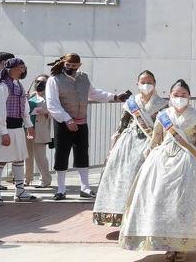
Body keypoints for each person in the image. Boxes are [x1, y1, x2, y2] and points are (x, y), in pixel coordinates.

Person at [119, 80, 196, 262]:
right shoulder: (163, 115)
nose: (180, 98)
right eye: (176, 95)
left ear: (189, 97)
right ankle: (167, 245)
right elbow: (156, 138)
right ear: (170, 96)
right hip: (161, 160)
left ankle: (182, 246)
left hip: (188, 162)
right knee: (160, 201)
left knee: (183, 203)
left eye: (184, 95)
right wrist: (148, 155)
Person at [45, 53, 131, 200]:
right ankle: (61, 189)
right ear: (63, 64)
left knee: (82, 153)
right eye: (68, 65)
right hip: (63, 123)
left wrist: (114, 97)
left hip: (81, 121)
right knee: (61, 154)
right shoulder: (54, 80)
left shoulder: (83, 78)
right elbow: (52, 104)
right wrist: (67, 120)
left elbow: (94, 93)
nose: (71, 68)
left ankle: (85, 188)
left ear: (79, 65)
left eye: (74, 66)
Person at [93, 71, 168, 228]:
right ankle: (119, 215)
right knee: (120, 173)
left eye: (149, 82)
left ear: (155, 83)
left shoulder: (162, 104)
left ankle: (144, 216)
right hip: (128, 142)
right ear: (137, 84)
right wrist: (115, 144)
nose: (146, 85)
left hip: (151, 142)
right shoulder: (131, 103)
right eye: (143, 82)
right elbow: (122, 125)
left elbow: (165, 128)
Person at [0, 58, 36, 204]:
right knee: (0, 160)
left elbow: (24, 107)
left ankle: (20, 191)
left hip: (17, 127)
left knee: (19, 158)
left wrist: (29, 125)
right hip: (5, 127)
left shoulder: (18, 85)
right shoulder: (1, 86)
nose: (23, 70)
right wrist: (3, 131)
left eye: (23, 67)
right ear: (10, 69)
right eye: (20, 67)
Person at [25, 75, 52, 189]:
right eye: (37, 81)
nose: (39, 84)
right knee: (27, 156)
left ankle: (45, 180)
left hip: (40, 130)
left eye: (43, 82)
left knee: (40, 156)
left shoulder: (50, 97)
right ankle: (27, 179)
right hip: (27, 129)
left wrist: (45, 111)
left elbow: (55, 113)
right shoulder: (30, 95)